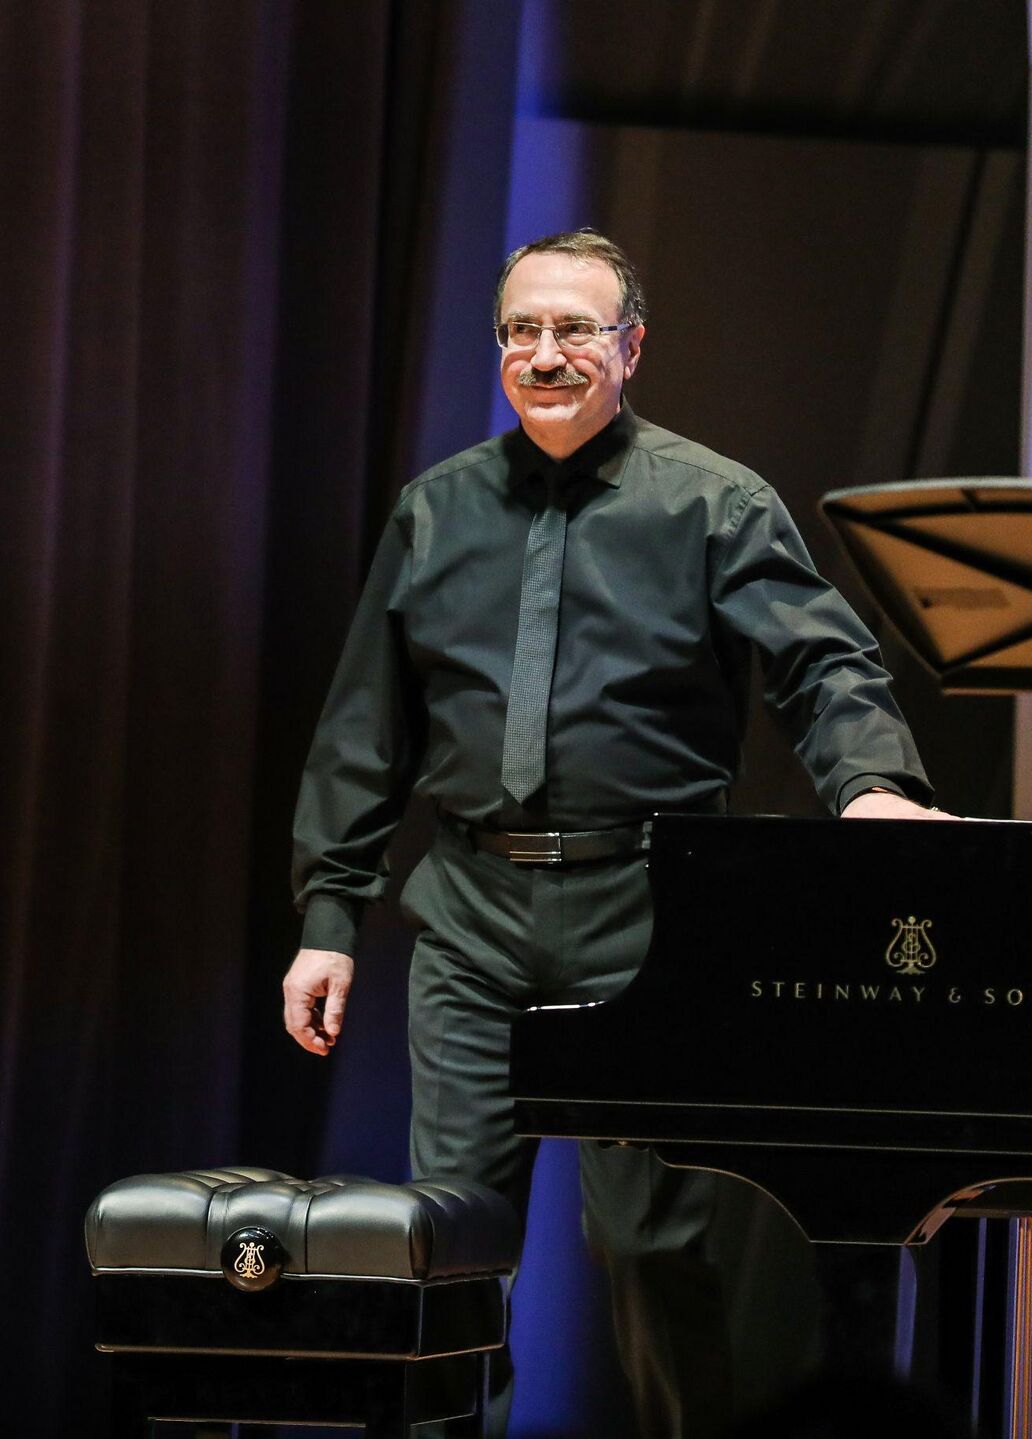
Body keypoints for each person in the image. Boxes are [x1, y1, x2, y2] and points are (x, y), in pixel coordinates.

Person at [281, 228, 944, 1438]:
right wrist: (329, 916)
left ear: (630, 349)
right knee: (449, 1244)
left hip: (651, 912)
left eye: (575, 329)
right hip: (472, 914)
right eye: (522, 330)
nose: (546, 354)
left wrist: (871, 786)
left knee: (650, 1249)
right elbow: (365, 726)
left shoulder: (711, 500)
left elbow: (823, 662)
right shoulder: (435, 510)